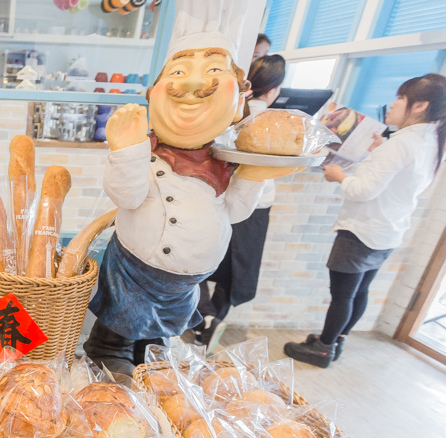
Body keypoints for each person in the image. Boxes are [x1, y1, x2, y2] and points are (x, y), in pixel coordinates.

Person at [83, 0, 296, 375]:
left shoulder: (228, 159)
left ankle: (151, 362)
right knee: (114, 339)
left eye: (214, 69)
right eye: (179, 71)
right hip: (133, 272)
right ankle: (110, 361)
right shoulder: (148, 151)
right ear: (155, 92)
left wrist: (255, 177)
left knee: (158, 346)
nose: (195, 83)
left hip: (184, 285)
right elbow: (127, 197)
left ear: (238, 101)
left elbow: (236, 211)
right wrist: (126, 150)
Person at [284, 73, 446, 368]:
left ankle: (323, 349)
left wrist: (339, 176)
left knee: (342, 295)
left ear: (420, 106)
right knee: (359, 291)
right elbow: (399, 180)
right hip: (388, 231)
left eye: (400, 98)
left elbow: (363, 190)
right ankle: (336, 340)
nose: (393, 104)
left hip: (362, 231)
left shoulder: (401, 144)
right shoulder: (431, 141)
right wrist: (377, 152)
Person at [195, 54, 287, 351]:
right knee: (234, 271)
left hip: (213, 200)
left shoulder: (227, 116)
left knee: (197, 261)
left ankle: (202, 318)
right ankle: (212, 321)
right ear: (274, 90)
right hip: (253, 208)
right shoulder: (275, 123)